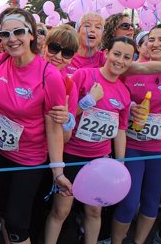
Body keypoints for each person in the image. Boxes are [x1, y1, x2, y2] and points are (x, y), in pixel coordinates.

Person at [0, 8, 72, 244]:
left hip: (28, 161)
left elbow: (53, 127)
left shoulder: (49, 76)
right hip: (1, 154)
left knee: (18, 223)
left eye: (18, 31)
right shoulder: (2, 61)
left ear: (31, 35)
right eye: (5, 34)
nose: (12, 39)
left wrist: (58, 170)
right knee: (6, 218)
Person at [45, 36, 135, 244]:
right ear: (106, 54)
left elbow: (120, 131)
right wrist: (88, 101)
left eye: (127, 57)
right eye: (117, 54)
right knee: (61, 211)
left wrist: (119, 164)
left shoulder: (123, 92)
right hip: (71, 155)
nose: (120, 61)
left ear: (131, 61)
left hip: (100, 161)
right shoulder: (83, 75)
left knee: (95, 211)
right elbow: (63, 117)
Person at [112, 24, 161, 244]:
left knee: (151, 200)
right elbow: (114, 96)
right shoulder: (133, 68)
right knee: (128, 202)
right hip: (132, 146)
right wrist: (129, 107)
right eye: (151, 39)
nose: (155, 43)